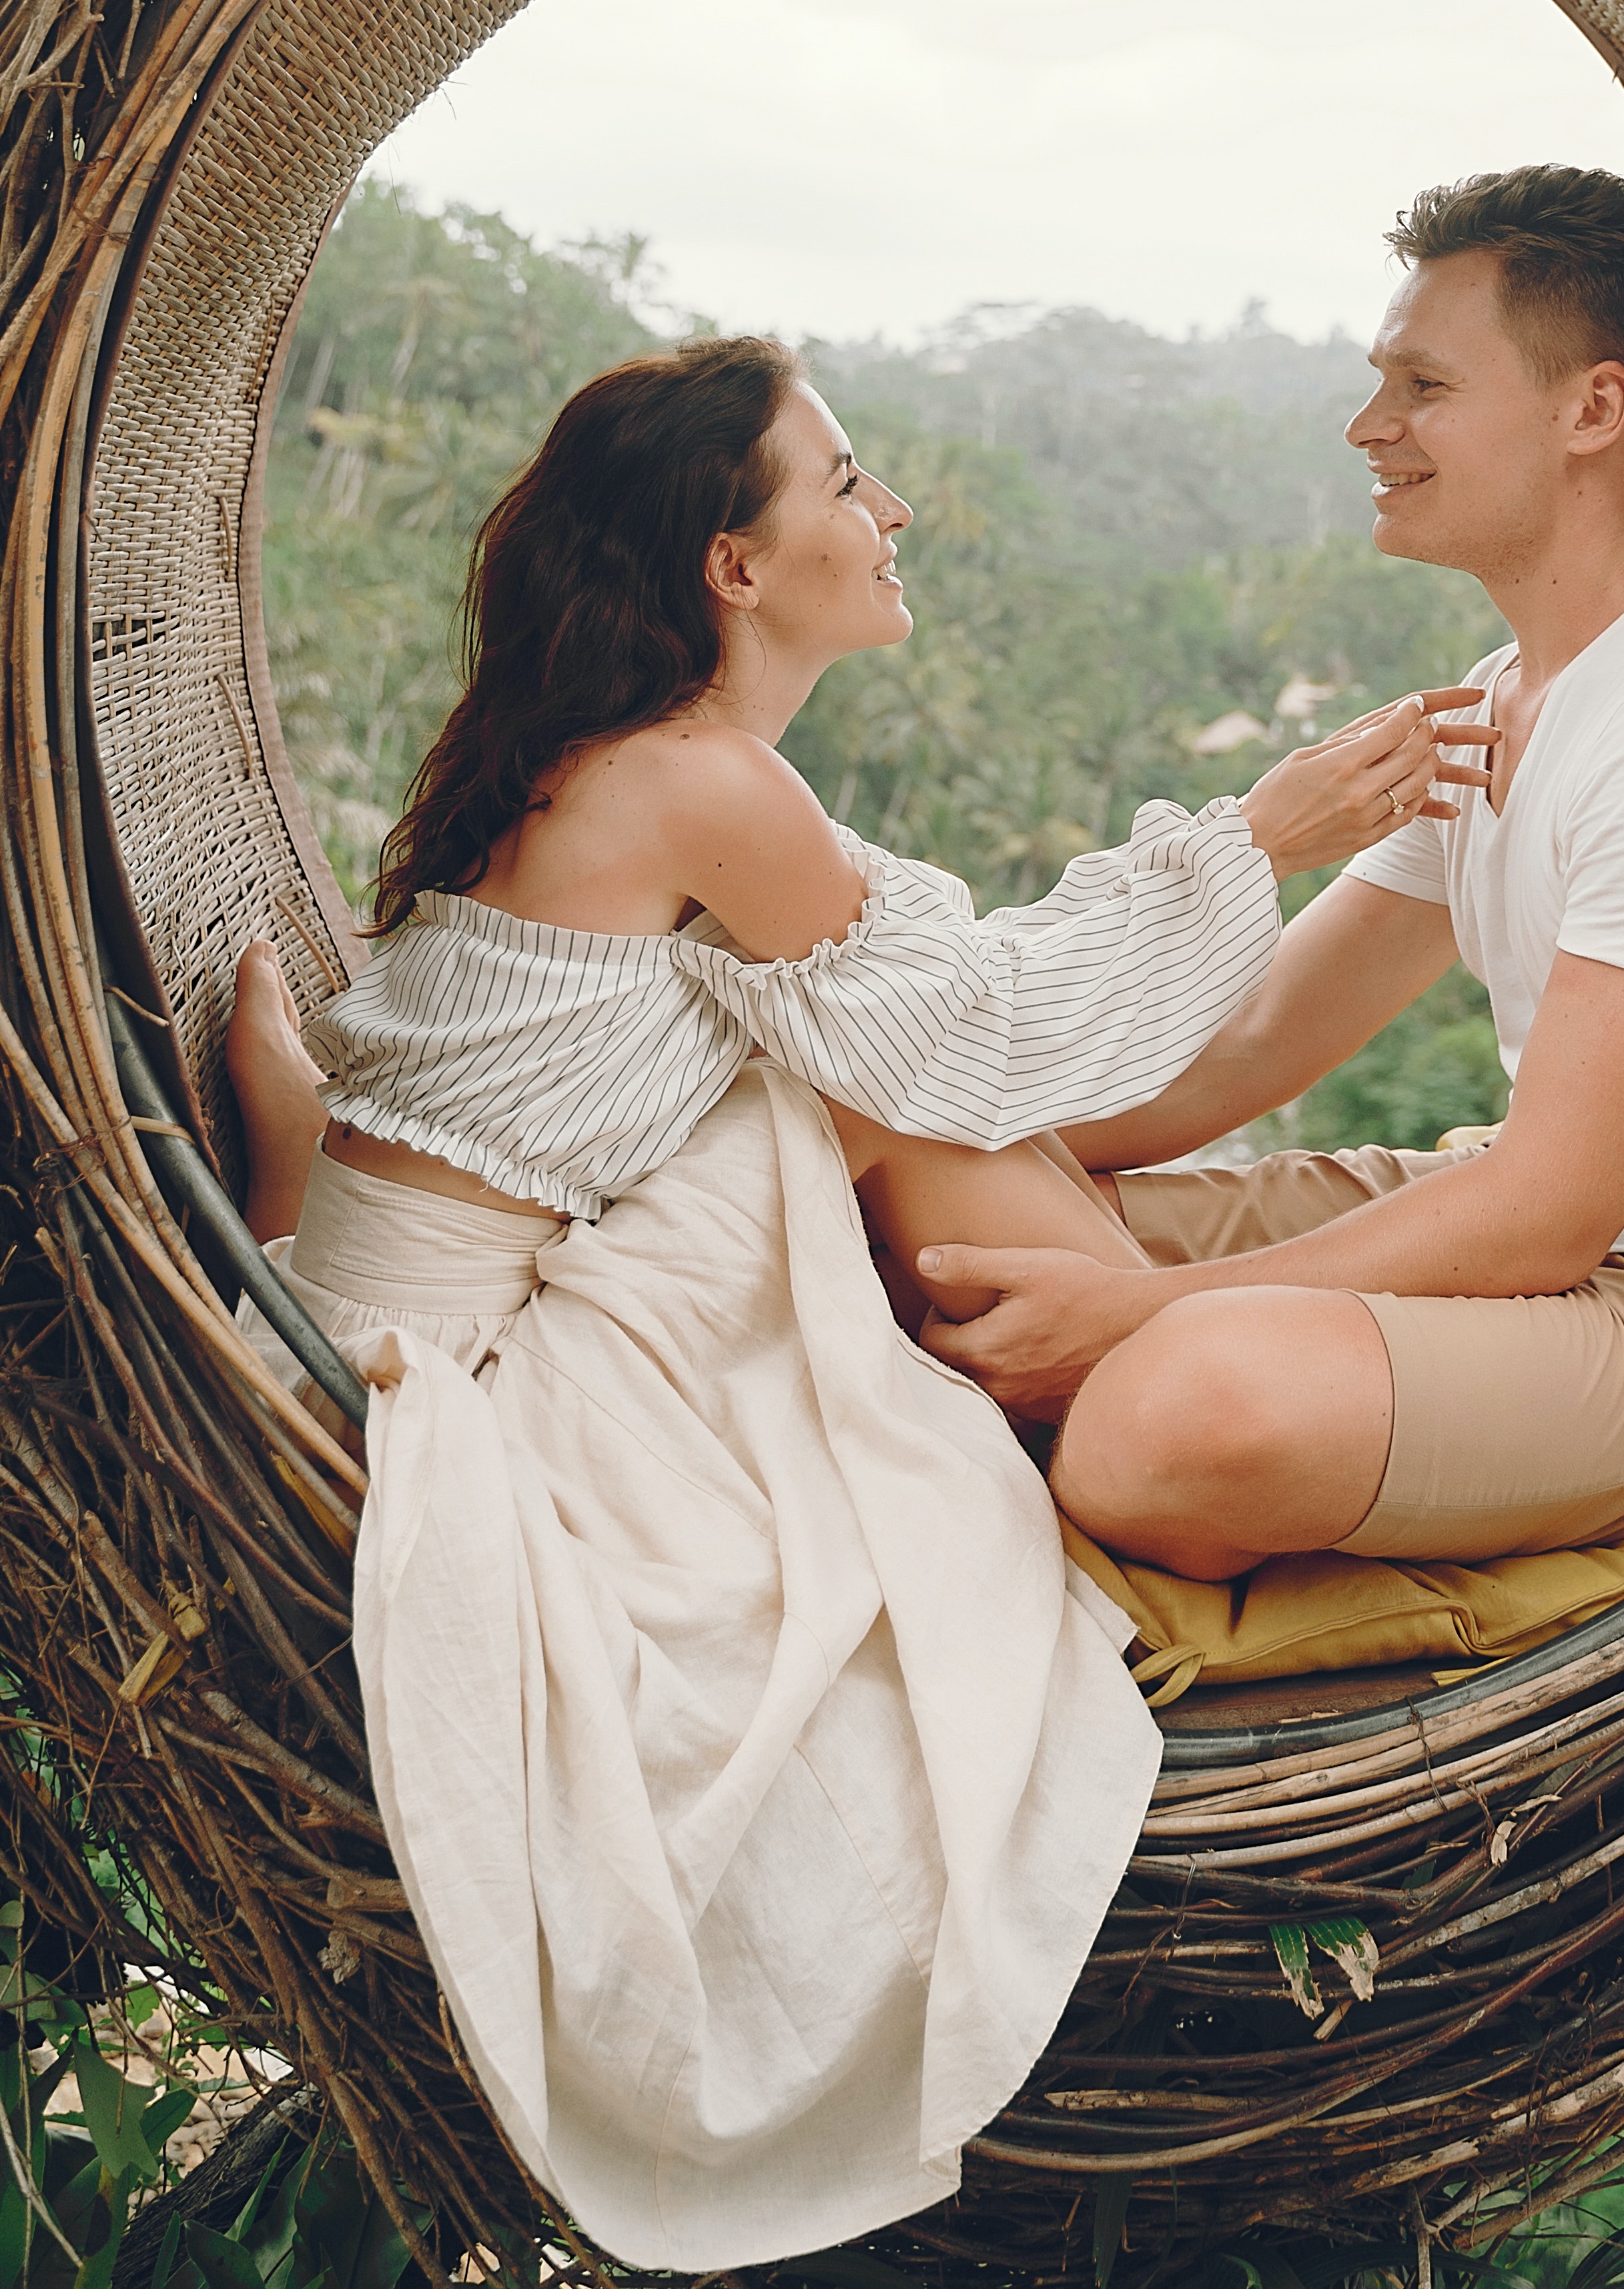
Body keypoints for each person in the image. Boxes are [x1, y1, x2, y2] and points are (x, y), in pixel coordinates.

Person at [222, 330, 1467, 2276]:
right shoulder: (703, 786)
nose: (891, 510)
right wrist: (1262, 834)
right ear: (736, 564)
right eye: (845, 480)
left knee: (818, 1084)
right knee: (853, 1101)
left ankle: (1162, 1359)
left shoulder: (638, 763)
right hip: (455, 1372)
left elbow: (946, 1001)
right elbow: (982, 1033)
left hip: (414, 1282)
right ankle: (1185, 1407)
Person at [909, 165, 1624, 1586]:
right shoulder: (1502, 701)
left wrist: (1134, 1315)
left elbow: (1545, 1215)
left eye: (1422, 387)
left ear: (1591, 411)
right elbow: (1250, 1044)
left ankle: (1135, 1400)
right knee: (938, 1189)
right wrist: (971, 1122)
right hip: (1552, 1244)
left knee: (1176, 1410)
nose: (1370, 426)